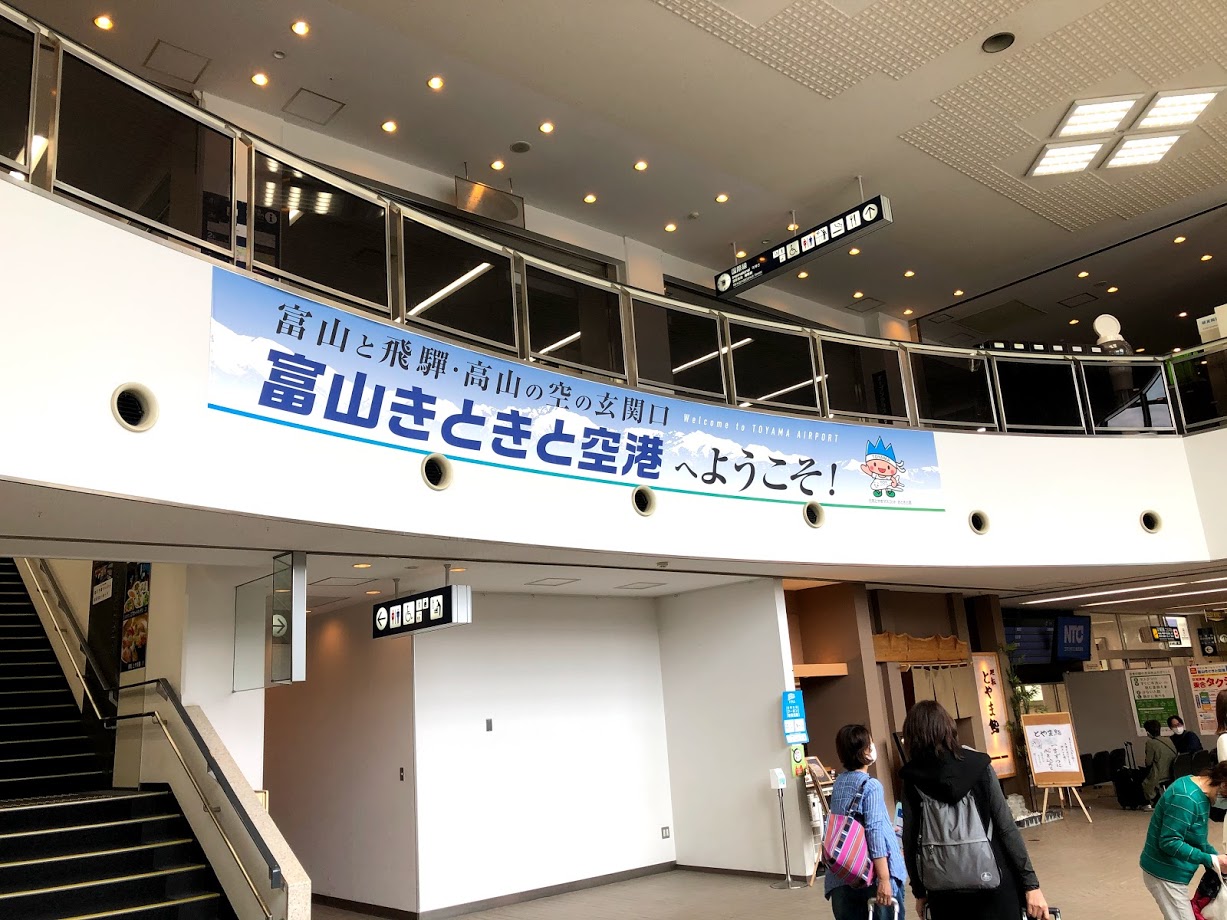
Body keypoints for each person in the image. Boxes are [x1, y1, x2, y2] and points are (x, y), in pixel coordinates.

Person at [900, 700, 1049, 920]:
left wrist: (919, 892)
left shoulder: (911, 777)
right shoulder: (979, 765)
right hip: (995, 882)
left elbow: (910, 839)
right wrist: (1031, 884)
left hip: (943, 892)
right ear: (948, 727)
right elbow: (1006, 828)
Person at [825, 724, 907, 920]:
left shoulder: (839, 783)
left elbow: (850, 826)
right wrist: (884, 879)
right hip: (871, 877)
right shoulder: (871, 786)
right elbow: (873, 832)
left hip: (842, 875)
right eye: (870, 743)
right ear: (864, 751)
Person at [1140, 762, 1227, 919]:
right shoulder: (1186, 797)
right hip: (1164, 872)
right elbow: (1169, 842)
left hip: (1174, 871)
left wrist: (1217, 860)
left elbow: (1196, 839)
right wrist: (1209, 859)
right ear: (1224, 785)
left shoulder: (1200, 791)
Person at [1143, 719, 1179, 806]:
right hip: (1172, 771)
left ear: (1148, 732)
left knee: (1146, 783)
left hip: (1160, 773)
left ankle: (1153, 801)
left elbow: (1148, 762)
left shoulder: (1150, 743)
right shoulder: (1168, 740)